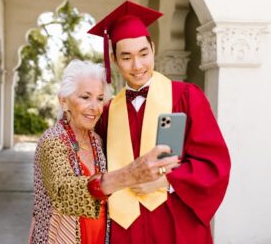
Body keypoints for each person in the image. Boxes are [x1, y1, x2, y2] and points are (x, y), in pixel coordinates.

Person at [88, 0, 231, 243]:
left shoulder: (186, 96)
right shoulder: (109, 112)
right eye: (126, 57)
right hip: (126, 229)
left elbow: (214, 164)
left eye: (143, 54)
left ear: (153, 48)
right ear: (114, 59)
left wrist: (165, 180)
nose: (137, 66)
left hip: (176, 221)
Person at [29, 59, 178, 244]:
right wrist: (129, 175)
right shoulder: (52, 141)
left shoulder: (96, 140)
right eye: (85, 97)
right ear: (64, 100)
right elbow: (64, 194)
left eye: (100, 98)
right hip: (61, 237)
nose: (95, 107)